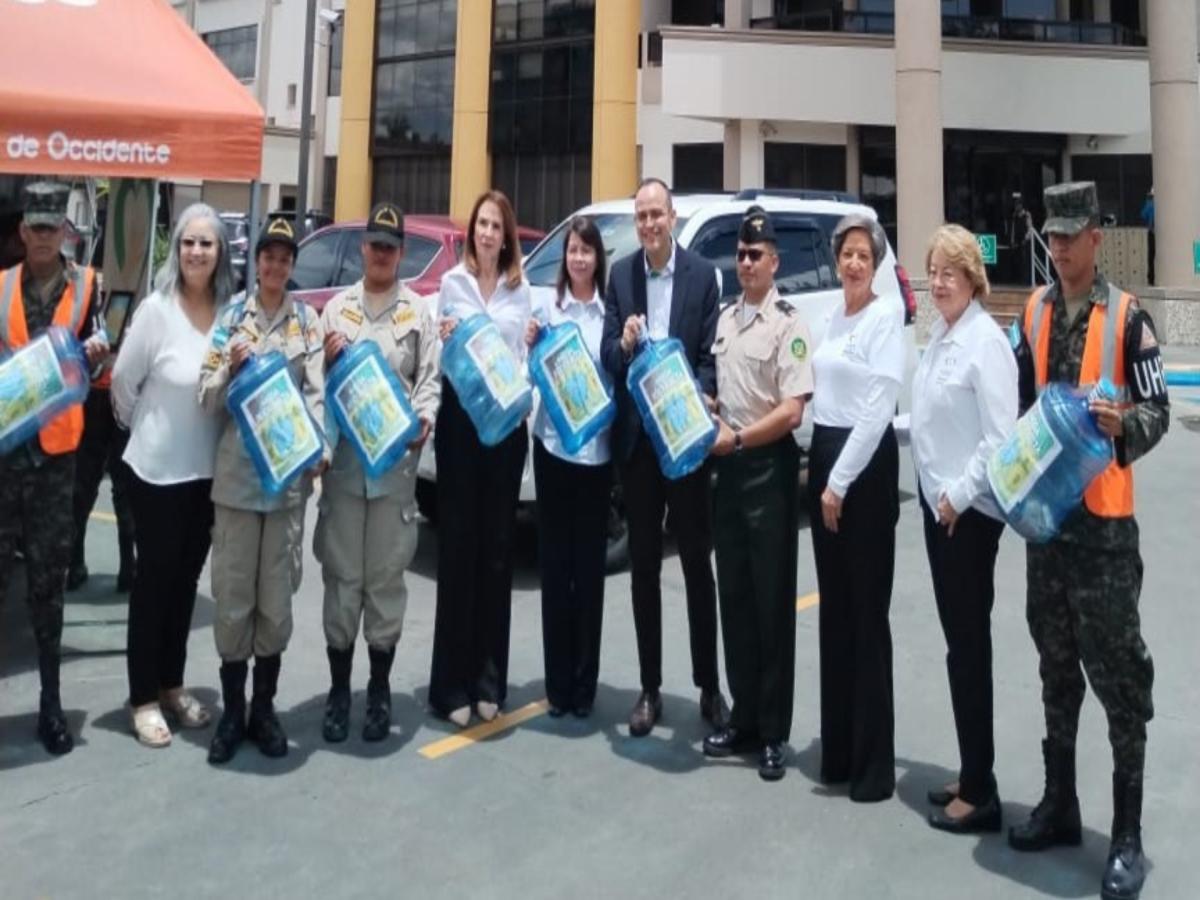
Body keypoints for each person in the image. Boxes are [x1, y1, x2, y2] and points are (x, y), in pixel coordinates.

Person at [1007, 182, 1168, 900]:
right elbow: (1018, 401)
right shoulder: (1035, 311)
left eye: (1073, 233)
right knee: (1056, 668)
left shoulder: (1131, 318)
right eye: (1054, 234)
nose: (1061, 245)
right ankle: (1059, 803)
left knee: (1120, 680)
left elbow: (1157, 409)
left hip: (1103, 530)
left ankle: (1126, 835)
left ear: (1097, 236)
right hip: (1049, 527)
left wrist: (1121, 428)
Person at [599, 177, 727, 737]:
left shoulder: (702, 276)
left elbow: (708, 359)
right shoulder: (621, 275)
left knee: (698, 563)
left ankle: (708, 686)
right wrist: (624, 344)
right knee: (643, 567)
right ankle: (649, 688)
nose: (649, 223)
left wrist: (695, 392)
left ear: (673, 217)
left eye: (657, 213)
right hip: (639, 447)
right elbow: (607, 356)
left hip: (686, 443)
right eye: (641, 215)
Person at [198, 217, 328, 763]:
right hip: (235, 487)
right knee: (233, 604)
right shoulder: (230, 322)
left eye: (284, 258)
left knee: (275, 605)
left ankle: (264, 710)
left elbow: (317, 393)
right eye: (267, 257)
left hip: (284, 493)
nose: (276, 266)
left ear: (292, 265)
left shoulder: (307, 323)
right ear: (255, 263)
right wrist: (228, 370)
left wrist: (319, 448)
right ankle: (232, 714)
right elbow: (205, 397)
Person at [316, 202, 439, 743]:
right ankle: (341, 691)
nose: (382, 253)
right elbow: (316, 390)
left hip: (393, 474)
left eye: (391, 245)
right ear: (363, 248)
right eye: (375, 244)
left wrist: (424, 420)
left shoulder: (418, 312)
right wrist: (327, 358)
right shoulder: (335, 313)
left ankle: (380, 691)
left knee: (386, 581)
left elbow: (429, 380)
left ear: (401, 252)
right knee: (343, 580)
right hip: (345, 472)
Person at [911, 224, 1018, 832]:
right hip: (940, 511)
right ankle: (972, 768)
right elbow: (930, 416)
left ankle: (981, 792)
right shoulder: (944, 335)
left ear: (972, 277)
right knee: (959, 648)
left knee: (970, 649)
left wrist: (953, 496)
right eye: (934, 271)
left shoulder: (986, 342)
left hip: (968, 517)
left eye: (950, 271)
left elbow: (1000, 442)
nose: (940, 281)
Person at [111, 202, 229, 748]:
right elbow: (122, 385)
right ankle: (142, 699)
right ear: (176, 248)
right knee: (153, 585)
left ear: (220, 252)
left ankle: (172, 684)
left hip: (205, 476)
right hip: (155, 474)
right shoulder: (156, 311)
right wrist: (149, 432)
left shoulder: (230, 312)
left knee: (183, 584)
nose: (196, 251)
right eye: (188, 241)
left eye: (206, 243)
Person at [702, 207, 812, 781]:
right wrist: (712, 411)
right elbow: (724, 392)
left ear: (775, 262)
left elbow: (793, 410)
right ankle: (743, 720)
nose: (746, 262)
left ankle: (773, 732)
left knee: (772, 606)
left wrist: (739, 437)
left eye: (756, 255)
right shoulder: (725, 320)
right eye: (741, 254)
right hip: (728, 472)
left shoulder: (789, 325)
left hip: (767, 468)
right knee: (737, 601)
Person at [0, 181, 108, 756]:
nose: (43, 238)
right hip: (4, 457)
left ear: (65, 231)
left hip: (55, 464)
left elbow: (103, 356)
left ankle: (50, 706)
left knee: (48, 587)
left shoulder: (90, 287)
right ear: (22, 231)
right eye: (34, 228)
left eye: (52, 228)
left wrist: (96, 357)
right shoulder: (0, 288)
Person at [808, 213, 906, 802]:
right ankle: (838, 751)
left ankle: (872, 768)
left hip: (862, 474)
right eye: (846, 254)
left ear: (876, 264)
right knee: (835, 614)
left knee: (867, 618)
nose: (852, 264)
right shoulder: (831, 318)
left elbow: (876, 409)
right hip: (826, 458)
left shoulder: (885, 318)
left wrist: (838, 483)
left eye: (863, 256)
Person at [429, 190, 528, 728]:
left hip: (506, 434)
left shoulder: (520, 292)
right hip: (461, 428)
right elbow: (441, 353)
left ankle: (490, 680)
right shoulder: (452, 286)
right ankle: (450, 686)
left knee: (497, 553)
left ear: (507, 237)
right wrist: (446, 338)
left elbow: (522, 359)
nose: (487, 233)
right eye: (481, 224)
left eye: (496, 226)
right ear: (471, 233)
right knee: (458, 552)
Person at [523, 216, 612, 719]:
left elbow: (617, 379)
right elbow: (528, 370)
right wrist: (531, 343)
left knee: (589, 574)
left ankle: (585, 685)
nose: (579, 258)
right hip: (554, 451)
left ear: (598, 259)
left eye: (587, 250)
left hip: (595, 457)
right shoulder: (546, 309)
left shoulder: (609, 312)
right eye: (573, 250)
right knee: (555, 572)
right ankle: (558, 687)